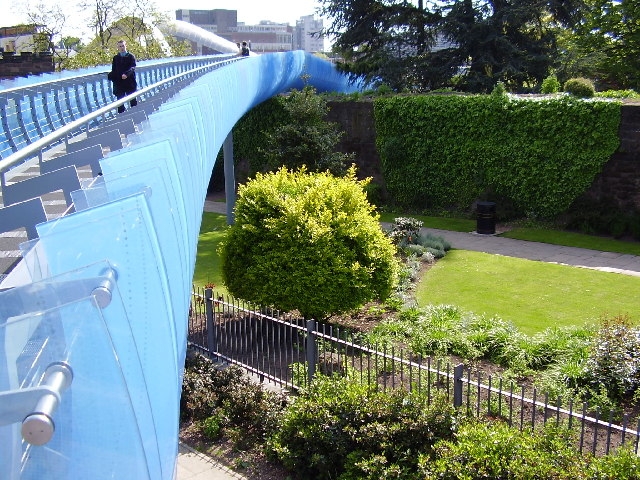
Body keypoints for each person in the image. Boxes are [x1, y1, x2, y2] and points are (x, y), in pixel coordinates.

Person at [108, 40, 138, 113]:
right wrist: (111, 76)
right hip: (119, 83)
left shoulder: (130, 56)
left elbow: (133, 67)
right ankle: (122, 115)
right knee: (120, 103)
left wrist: (126, 74)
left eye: (123, 46)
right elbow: (114, 69)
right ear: (118, 47)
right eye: (120, 46)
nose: (122, 48)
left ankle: (135, 115)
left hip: (129, 82)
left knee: (132, 101)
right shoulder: (116, 58)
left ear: (125, 46)